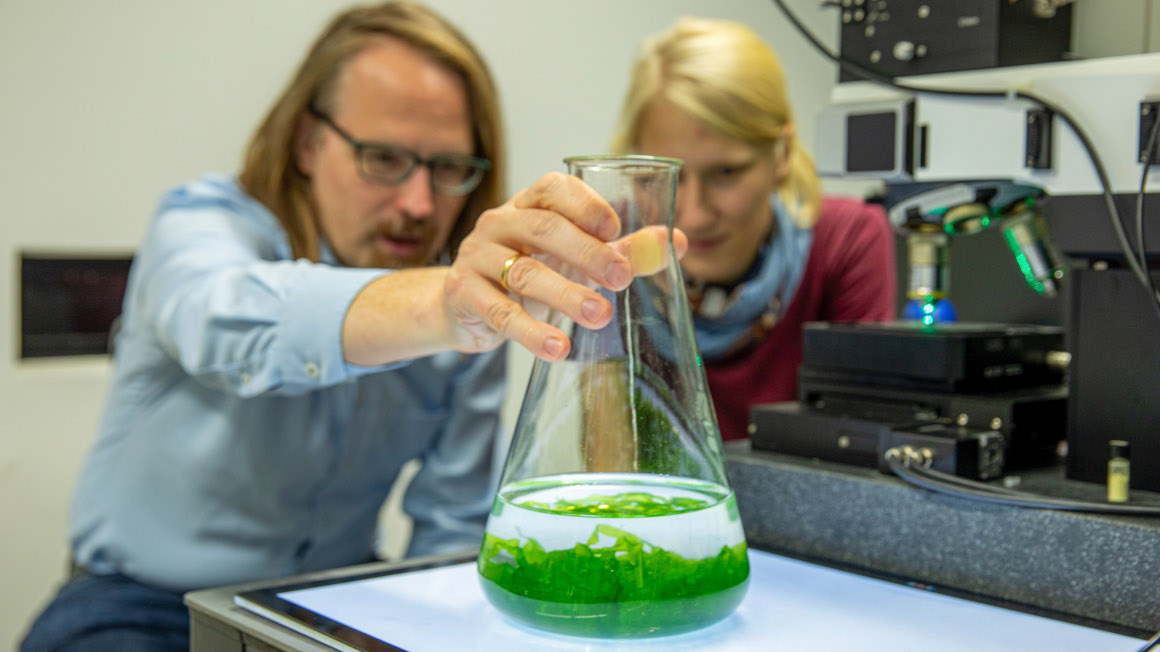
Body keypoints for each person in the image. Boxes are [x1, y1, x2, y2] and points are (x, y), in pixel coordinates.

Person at [20, 3, 677, 650]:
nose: (419, 204)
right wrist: (445, 306)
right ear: (307, 143)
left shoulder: (474, 308)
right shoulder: (201, 224)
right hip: (137, 608)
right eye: (384, 158)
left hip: (332, 600)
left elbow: (449, 534)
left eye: (448, 169)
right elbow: (230, 321)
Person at [611, 17, 897, 441]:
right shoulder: (610, 250)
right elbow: (602, 469)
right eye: (666, 176)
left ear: (781, 153)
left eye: (726, 171)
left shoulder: (846, 242)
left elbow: (857, 455)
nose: (693, 215)